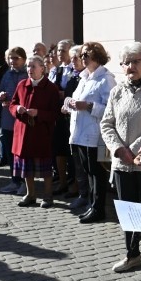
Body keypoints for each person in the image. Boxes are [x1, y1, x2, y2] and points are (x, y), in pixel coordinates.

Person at [100, 42, 141, 276]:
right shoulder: (117, 90)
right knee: (128, 212)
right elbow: (106, 123)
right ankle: (132, 254)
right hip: (121, 164)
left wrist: (135, 150)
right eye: (126, 62)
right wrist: (119, 149)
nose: (130, 66)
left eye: (136, 61)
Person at [67, 41, 116, 223]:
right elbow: (78, 100)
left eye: (86, 55)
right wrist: (70, 104)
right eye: (82, 55)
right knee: (88, 172)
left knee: (97, 173)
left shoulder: (106, 79)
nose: (83, 58)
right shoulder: (84, 77)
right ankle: (92, 205)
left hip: (95, 135)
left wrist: (88, 106)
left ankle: (98, 209)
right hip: (80, 133)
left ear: (96, 56)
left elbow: (111, 109)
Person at [10, 55, 62, 208]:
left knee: (45, 168)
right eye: (28, 66)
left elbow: (55, 113)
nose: (30, 70)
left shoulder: (51, 88)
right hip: (23, 132)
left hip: (41, 133)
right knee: (26, 167)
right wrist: (17, 109)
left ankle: (48, 196)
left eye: (33, 66)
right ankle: (30, 194)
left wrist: (39, 113)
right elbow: (12, 104)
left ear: (42, 68)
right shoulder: (22, 84)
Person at [63, 45, 89, 210]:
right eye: (71, 58)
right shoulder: (75, 78)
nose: (73, 61)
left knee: (87, 168)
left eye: (76, 58)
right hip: (74, 124)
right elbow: (70, 97)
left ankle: (88, 196)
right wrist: (66, 105)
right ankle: (81, 193)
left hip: (88, 130)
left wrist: (84, 105)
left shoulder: (94, 77)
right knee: (76, 164)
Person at [49, 39, 75, 196]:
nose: (60, 53)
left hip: (71, 115)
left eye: (63, 50)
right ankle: (62, 181)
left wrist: (64, 94)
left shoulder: (76, 69)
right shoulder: (56, 70)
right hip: (58, 114)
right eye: (58, 50)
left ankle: (74, 184)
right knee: (58, 149)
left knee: (70, 151)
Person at [0, 47, 27, 170]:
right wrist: (0, 96)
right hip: (7, 117)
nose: (12, 61)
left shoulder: (27, 73)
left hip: (21, 117)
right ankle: (14, 179)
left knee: (21, 150)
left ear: (23, 59)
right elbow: (0, 90)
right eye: (10, 58)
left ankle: (23, 179)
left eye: (16, 58)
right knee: (9, 149)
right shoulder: (7, 74)